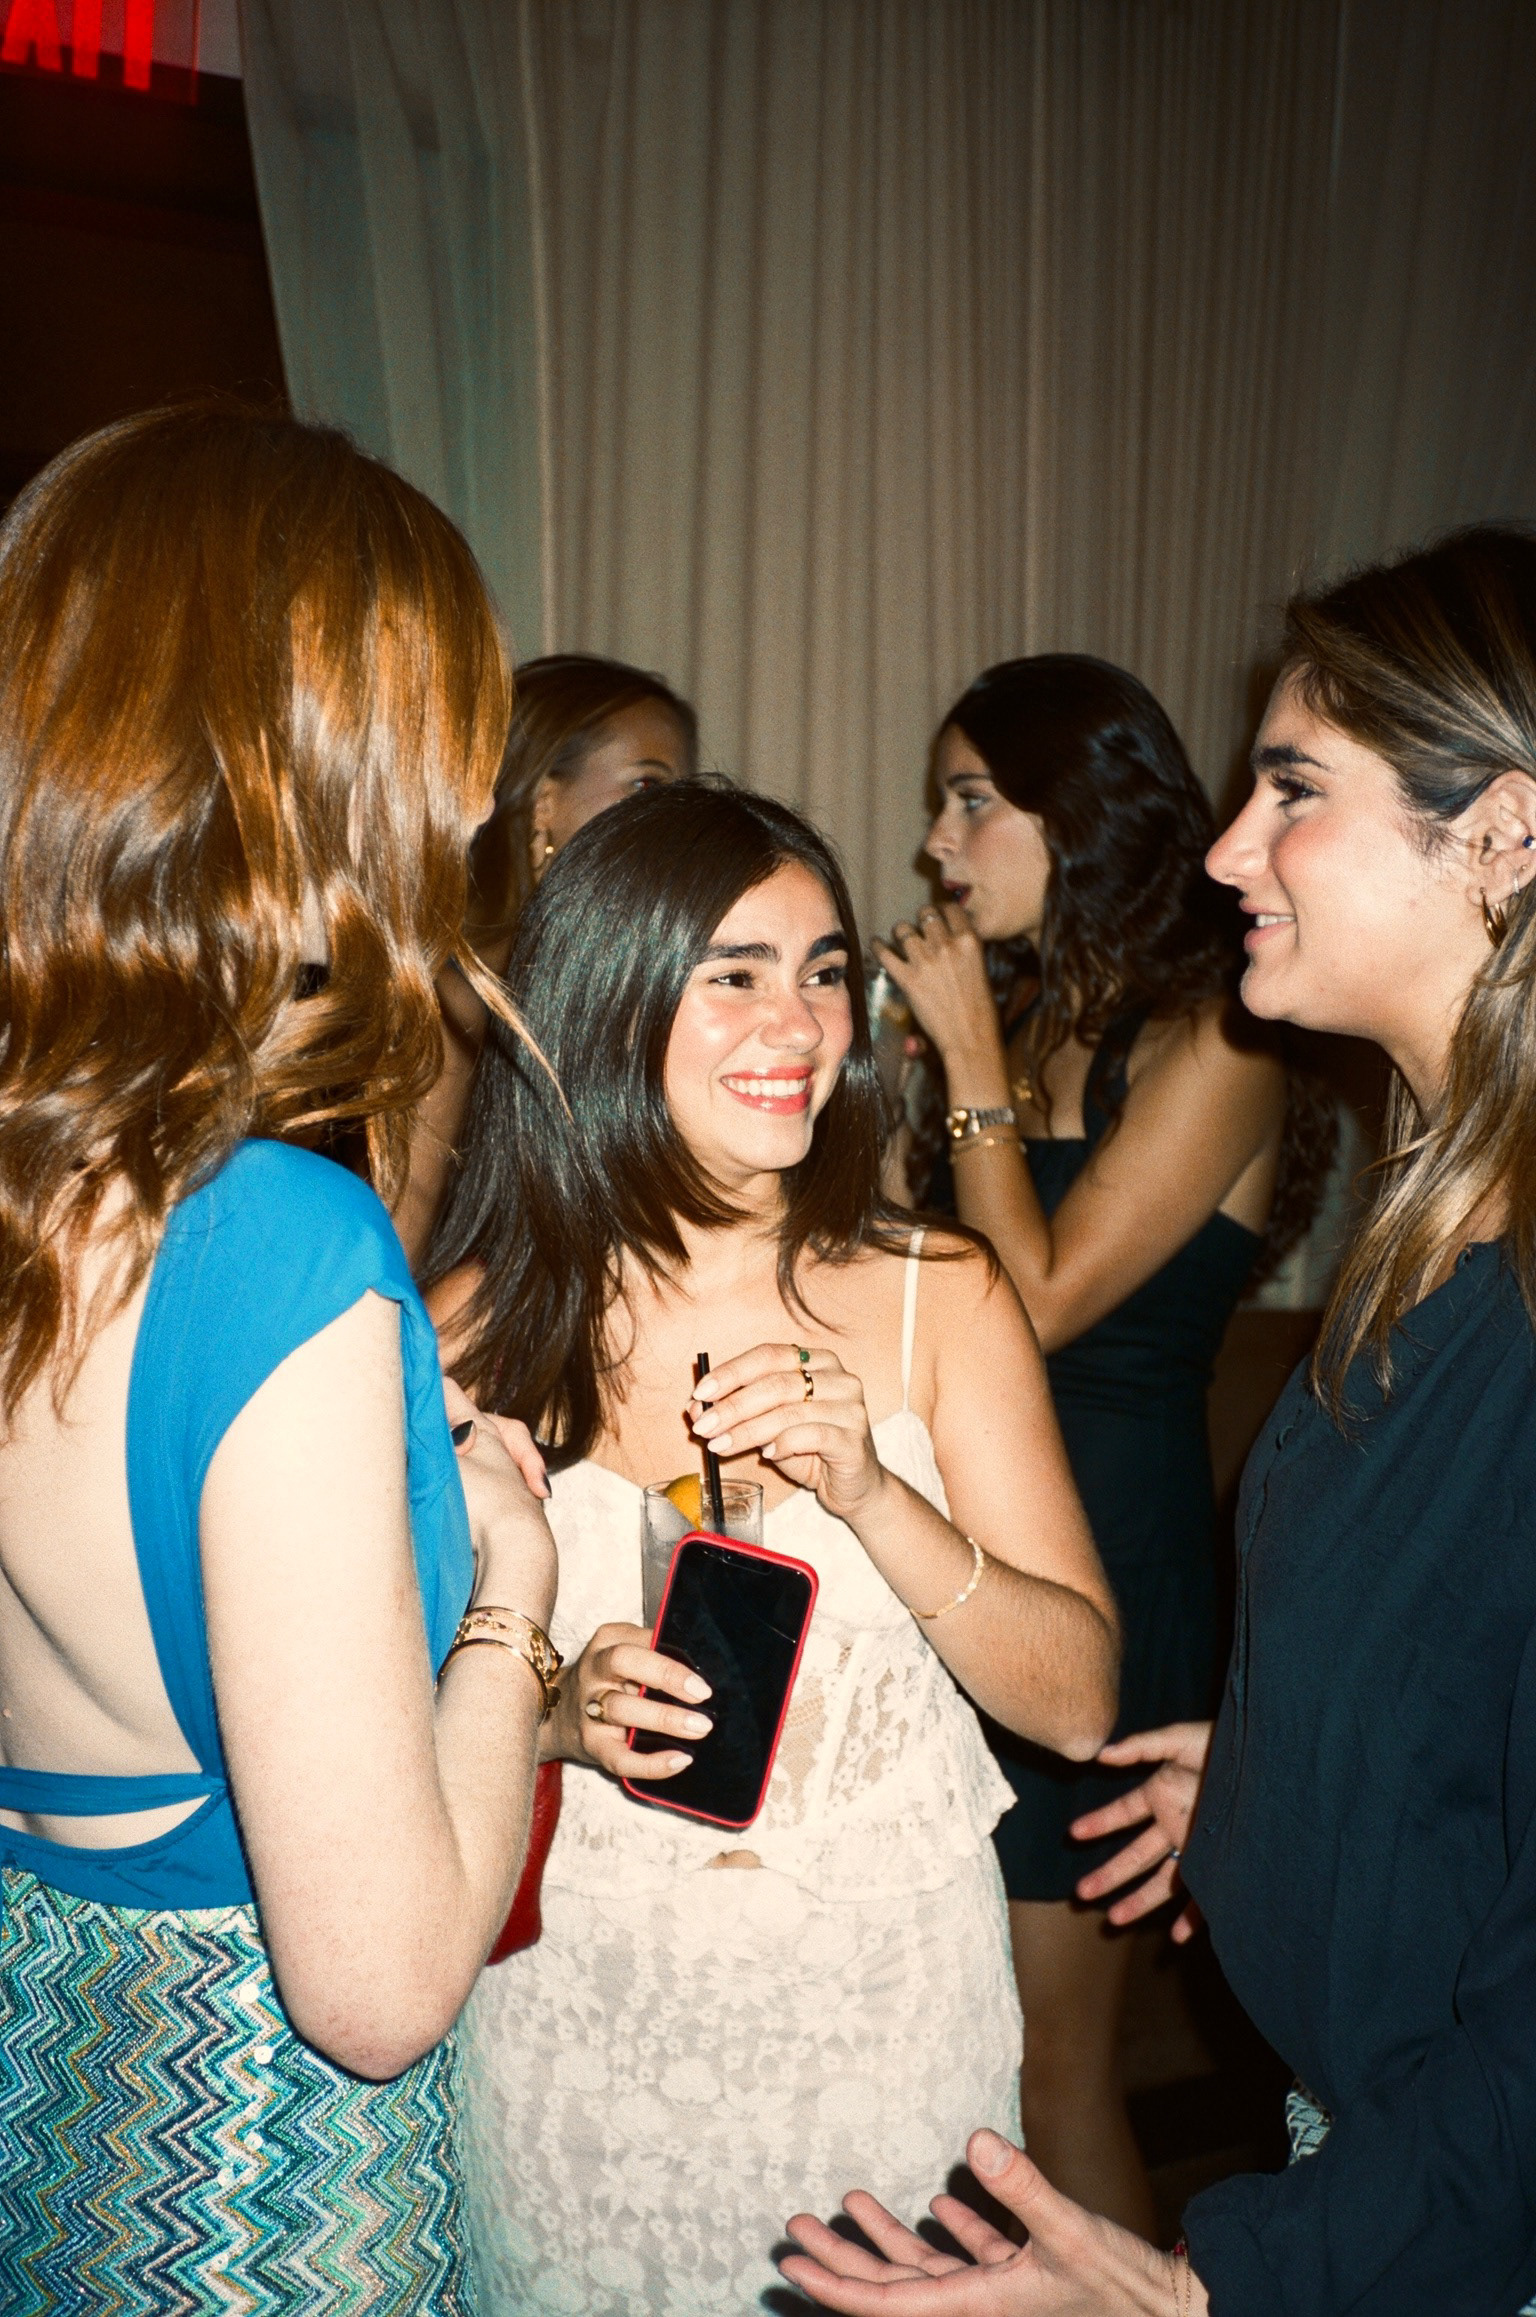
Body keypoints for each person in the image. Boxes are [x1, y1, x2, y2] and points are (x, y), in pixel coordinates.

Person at [778, 525, 1536, 2315]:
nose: (1226, 848)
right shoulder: (1440, 1226)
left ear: (1504, 833)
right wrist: (1287, 1796)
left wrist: (1198, 2291)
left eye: (1295, 790)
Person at [422, 780, 1121, 2315]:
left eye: (822, 971)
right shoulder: (468, 1327)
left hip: (884, 2036)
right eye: (733, 973)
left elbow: (1077, 1703)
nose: (798, 1022)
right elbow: (363, 1732)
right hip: (575, 2038)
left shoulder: (937, 1291)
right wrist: (553, 1714)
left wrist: (873, 1492)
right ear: (605, 999)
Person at [0, 405, 559, 2314]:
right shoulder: (269, 1242)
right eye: (443, 743)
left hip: (51, 2111)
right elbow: (378, 1986)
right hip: (261, 2202)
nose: (464, 813)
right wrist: (511, 1598)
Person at [873, 655, 1330, 2233]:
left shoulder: (1221, 1038)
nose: (936, 843)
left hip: (1113, 1571)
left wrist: (972, 1079)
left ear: (1079, 816)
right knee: (954, 2052)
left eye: (971, 801)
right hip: (971, 1552)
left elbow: (1043, 1299)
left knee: (1053, 2075)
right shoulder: (1021, 1023)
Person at [394, 653, 697, 1262]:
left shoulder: (658, 984)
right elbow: (398, 1238)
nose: (681, 823)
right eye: (647, 787)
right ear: (543, 804)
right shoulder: (457, 1000)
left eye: (686, 796)